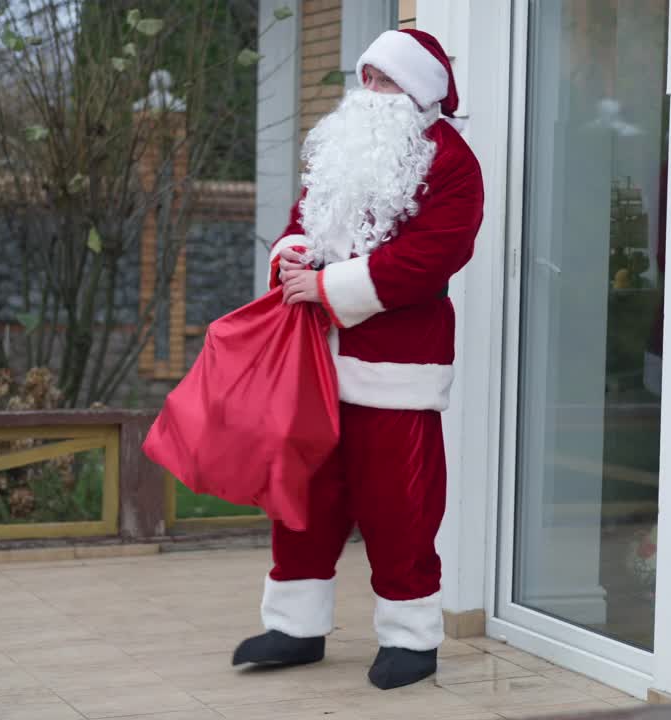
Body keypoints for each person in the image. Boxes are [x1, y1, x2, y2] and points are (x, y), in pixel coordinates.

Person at [230, 29, 484, 691]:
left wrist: (330, 288)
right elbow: (304, 218)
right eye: (367, 78)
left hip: (396, 370)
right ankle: (295, 626)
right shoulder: (342, 148)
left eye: (387, 81)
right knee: (305, 497)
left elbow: (432, 257)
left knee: (399, 506)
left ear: (421, 91)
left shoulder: (453, 163)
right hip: (316, 360)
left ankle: (409, 637)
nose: (371, 92)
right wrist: (290, 255)